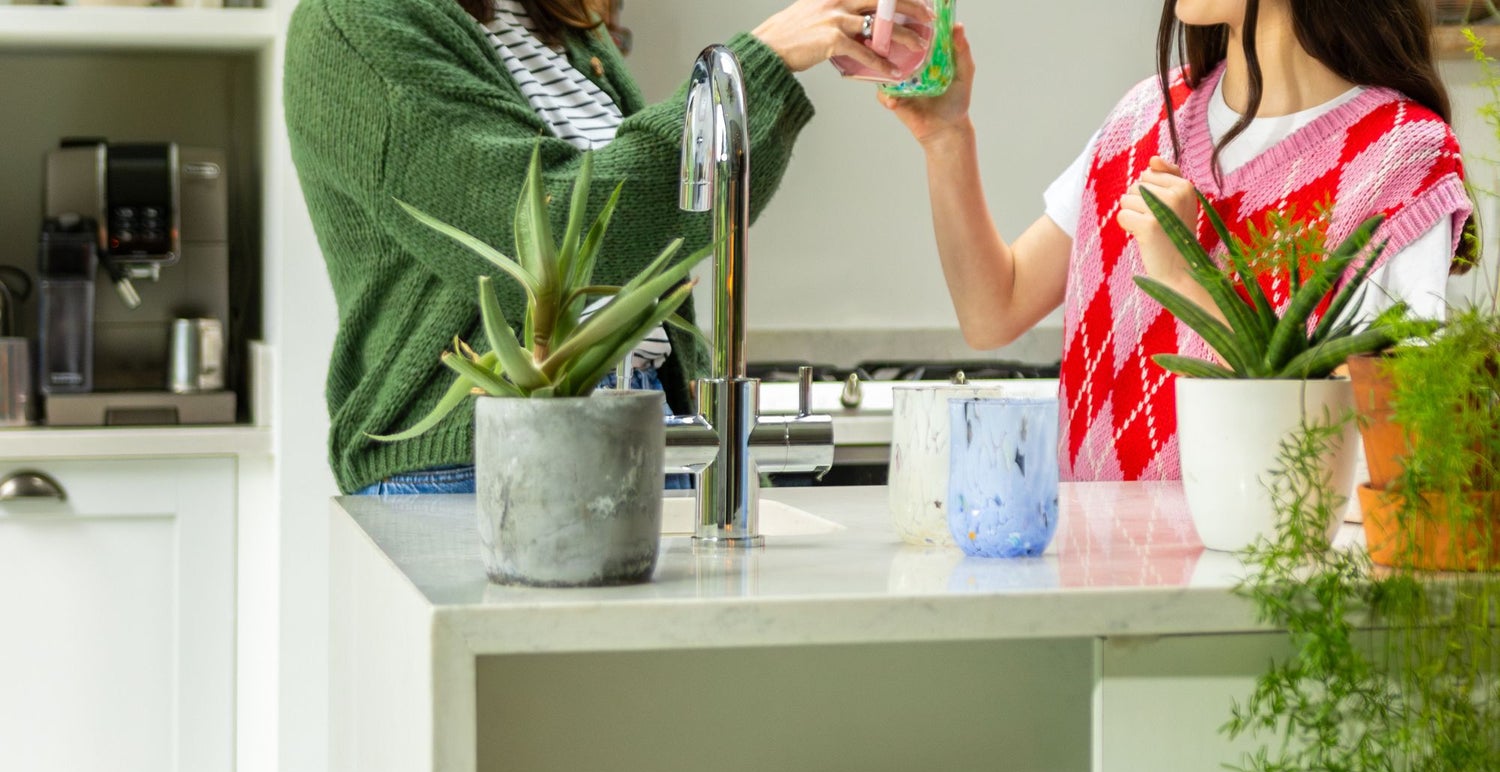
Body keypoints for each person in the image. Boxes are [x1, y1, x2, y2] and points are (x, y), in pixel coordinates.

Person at [285, 0, 920, 496]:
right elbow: (558, 237)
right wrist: (759, 64)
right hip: (472, 469)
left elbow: (685, 214)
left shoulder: (560, 26)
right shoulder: (354, 23)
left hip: (644, 438)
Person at [883, 0, 1473, 483]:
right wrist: (946, 136)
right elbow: (994, 309)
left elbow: (1388, 442)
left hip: (1259, 600)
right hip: (1090, 587)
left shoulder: (1399, 158)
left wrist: (1186, 277)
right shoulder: (1143, 117)